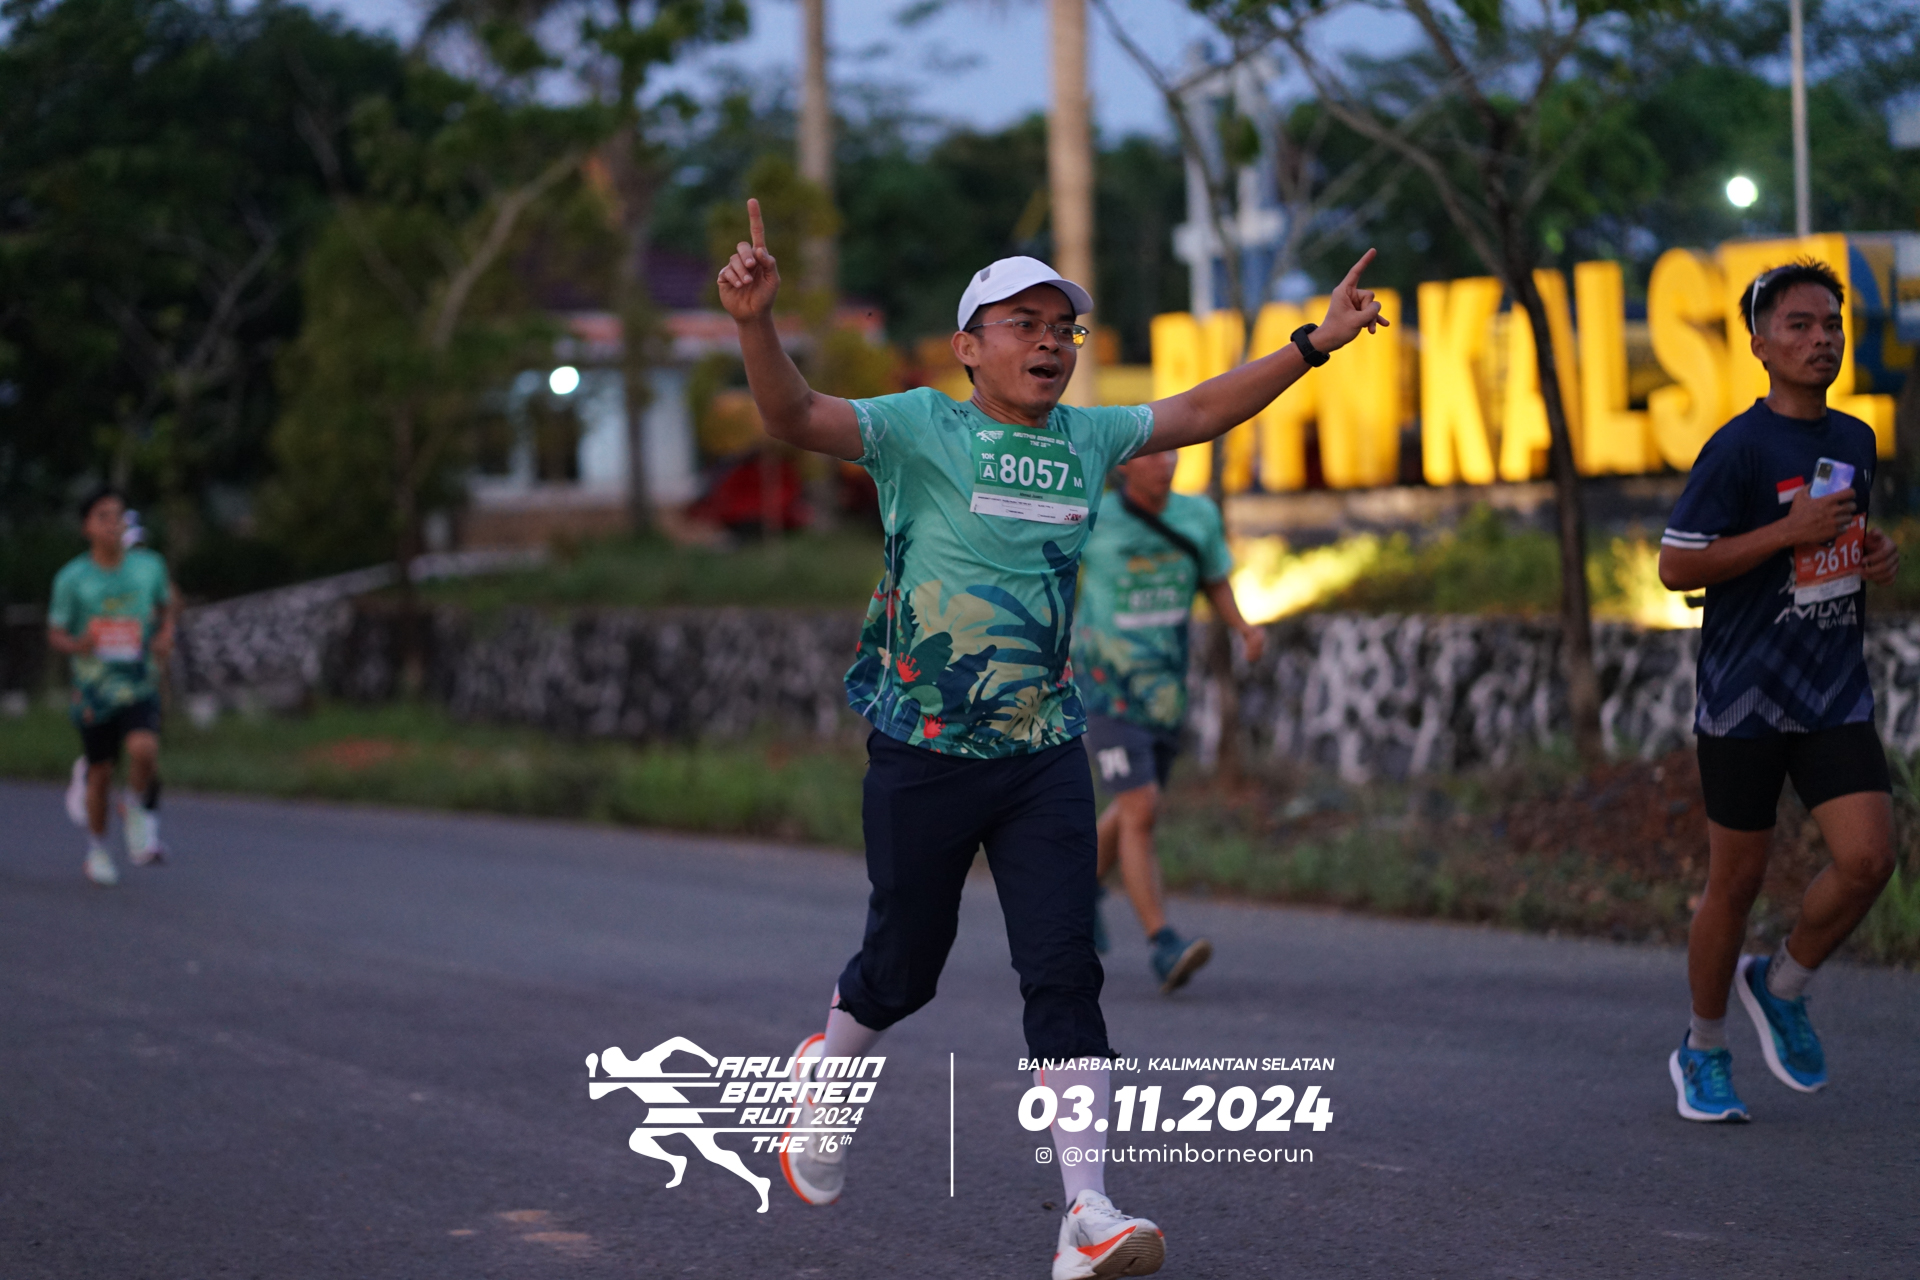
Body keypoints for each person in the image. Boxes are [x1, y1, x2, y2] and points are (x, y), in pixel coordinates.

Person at [716, 198, 1384, 1276]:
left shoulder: (1087, 439)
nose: (1049, 344)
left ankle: (1087, 1212)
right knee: (902, 967)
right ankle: (828, 1072)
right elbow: (793, 415)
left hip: (1042, 752)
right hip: (924, 750)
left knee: (1065, 969)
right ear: (968, 347)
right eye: (1022, 325)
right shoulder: (919, 428)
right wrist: (755, 323)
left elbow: (1200, 408)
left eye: (1062, 328)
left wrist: (1313, 344)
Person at [1658, 259, 1900, 1123]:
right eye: (1799, 325)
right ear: (1760, 344)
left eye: (1831, 325)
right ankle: (1702, 1048)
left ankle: (1782, 983)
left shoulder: (1858, 439)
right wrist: (1783, 532)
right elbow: (1676, 565)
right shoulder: (1737, 448)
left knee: (1870, 859)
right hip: (1745, 695)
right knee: (1736, 883)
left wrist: (1872, 553)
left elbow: (1834, 544)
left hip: (1831, 688)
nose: (1820, 339)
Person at [1073, 448, 1266, 992]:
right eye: (1152, 455)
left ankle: (1079, 891)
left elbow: (1214, 579)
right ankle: (1163, 944)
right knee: (1141, 806)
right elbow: (1048, 574)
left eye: (1171, 452)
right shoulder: (1091, 515)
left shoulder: (1198, 515)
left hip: (1164, 693)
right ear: (1123, 466)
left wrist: (1243, 627)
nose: (1166, 463)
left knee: (1134, 804)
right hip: (1105, 686)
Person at [48, 489, 177, 886]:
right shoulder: (72, 578)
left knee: (144, 749)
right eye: (103, 516)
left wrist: (165, 635)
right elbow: (56, 632)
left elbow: (168, 607)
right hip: (94, 689)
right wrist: (78, 644)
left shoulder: (149, 567)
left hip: (139, 681)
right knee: (101, 773)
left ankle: (135, 807)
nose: (113, 524)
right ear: (86, 526)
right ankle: (97, 849)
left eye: (118, 516)